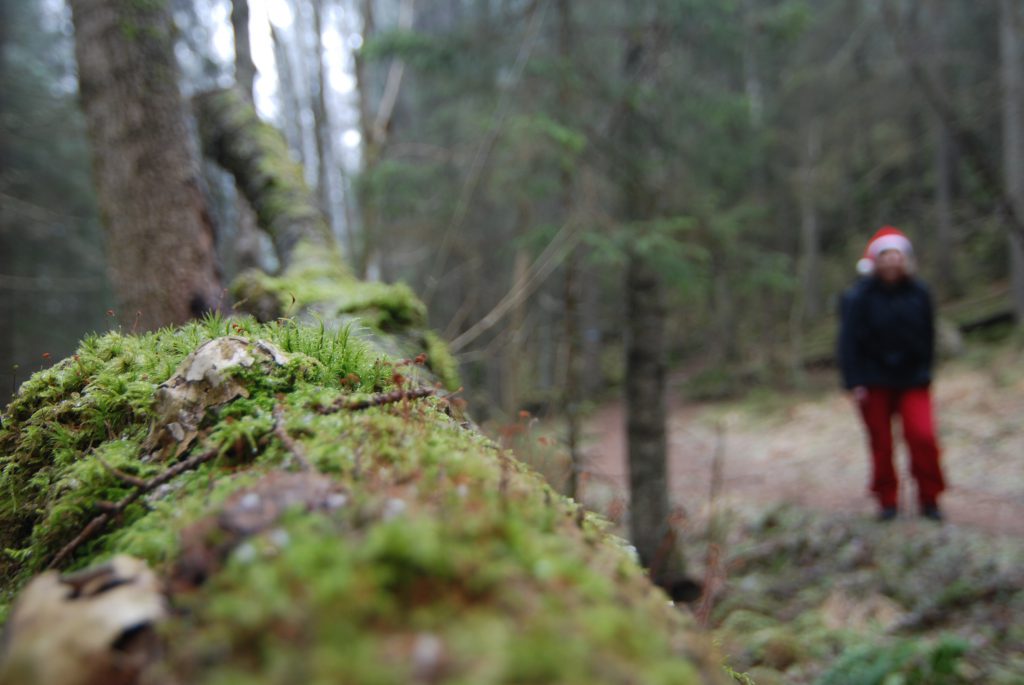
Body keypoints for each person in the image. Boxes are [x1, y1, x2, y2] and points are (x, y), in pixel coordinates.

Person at [838, 227, 947, 521]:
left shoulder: (920, 292)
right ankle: (887, 500)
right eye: (885, 256)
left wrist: (925, 369)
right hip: (873, 381)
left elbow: (928, 334)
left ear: (905, 259)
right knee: (881, 444)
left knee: (922, 437)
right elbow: (847, 341)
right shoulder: (857, 296)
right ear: (875, 261)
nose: (891, 261)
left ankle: (930, 498)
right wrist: (853, 381)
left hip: (913, 379)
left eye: (896, 255)